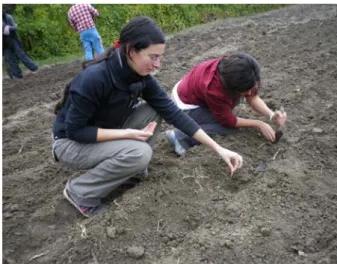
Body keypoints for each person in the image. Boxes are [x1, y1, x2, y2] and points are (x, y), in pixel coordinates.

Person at [52, 17, 243, 218]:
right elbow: (75, 131)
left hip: (103, 128)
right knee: (139, 153)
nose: (157, 64)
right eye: (153, 57)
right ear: (132, 50)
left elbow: (173, 112)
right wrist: (126, 134)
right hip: (69, 143)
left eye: (159, 57)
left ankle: (132, 169)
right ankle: (80, 192)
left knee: (155, 108)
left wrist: (218, 149)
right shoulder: (95, 78)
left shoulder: (137, 75)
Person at [166, 53, 287, 156]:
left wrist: (271, 115)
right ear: (231, 88)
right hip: (184, 105)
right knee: (227, 128)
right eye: (246, 91)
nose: (250, 92)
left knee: (228, 116)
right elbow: (228, 121)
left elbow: (252, 97)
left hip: (193, 92)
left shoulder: (242, 70)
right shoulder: (214, 90)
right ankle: (180, 137)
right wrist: (258, 124)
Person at [2, 10, 39, 79]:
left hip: (12, 39)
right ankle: (17, 74)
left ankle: (34, 68)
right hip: (3, 42)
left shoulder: (8, 17)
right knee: (10, 58)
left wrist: (9, 28)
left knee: (21, 55)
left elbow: (16, 27)